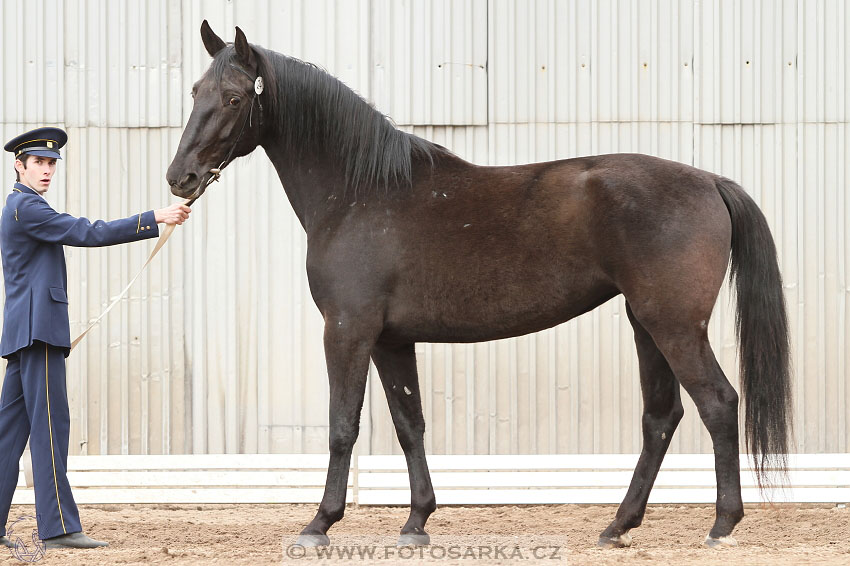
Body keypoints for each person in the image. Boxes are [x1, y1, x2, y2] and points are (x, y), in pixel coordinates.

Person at [0, 127, 191, 549]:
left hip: (25, 334)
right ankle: (59, 528)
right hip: (38, 333)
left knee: (8, 436)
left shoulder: (23, 207)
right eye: (39, 163)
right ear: (20, 165)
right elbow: (89, 231)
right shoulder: (26, 208)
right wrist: (156, 217)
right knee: (51, 428)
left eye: (52, 164)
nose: (48, 171)